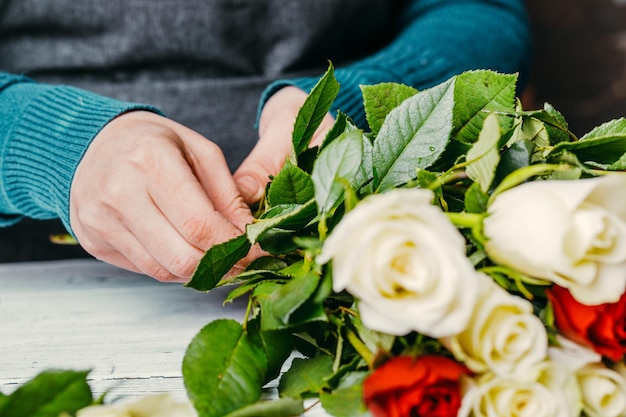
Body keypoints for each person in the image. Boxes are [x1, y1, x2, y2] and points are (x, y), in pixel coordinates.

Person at [0, 0, 532, 282]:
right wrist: (49, 141)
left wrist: (353, 101)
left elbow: (477, 9)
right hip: (39, 272)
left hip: (364, 246)